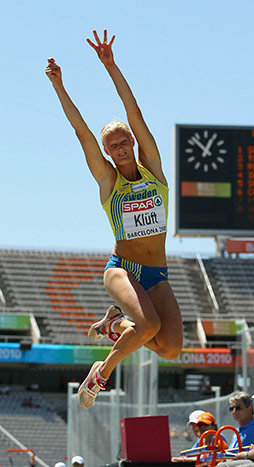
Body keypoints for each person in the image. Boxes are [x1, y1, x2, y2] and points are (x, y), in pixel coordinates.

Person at [45, 29, 182, 410]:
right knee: (150, 327)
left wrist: (111, 66)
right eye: (113, 146)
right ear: (107, 152)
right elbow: (81, 131)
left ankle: (116, 325)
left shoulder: (153, 169)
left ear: (133, 145)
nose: (120, 149)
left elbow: (134, 112)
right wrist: (60, 85)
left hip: (157, 273)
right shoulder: (108, 181)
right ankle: (100, 375)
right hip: (123, 268)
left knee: (170, 348)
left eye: (125, 142)